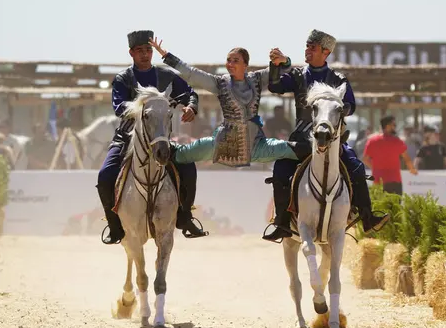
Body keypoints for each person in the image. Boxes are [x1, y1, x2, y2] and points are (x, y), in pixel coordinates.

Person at [263, 29, 390, 241]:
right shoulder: (297, 75)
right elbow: (274, 86)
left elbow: (351, 105)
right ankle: (283, 222)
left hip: (332, 138)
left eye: (312, 48)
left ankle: (367, 218)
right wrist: (277, 65)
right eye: (307, 47)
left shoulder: (338, 79)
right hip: (302, 138)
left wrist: (336, 110)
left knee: (357, 168)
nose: (307, 51)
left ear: (326, 52)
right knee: (280, 169)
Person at [96, 30, 207, 245]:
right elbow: (119, 108)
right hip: (127, 138)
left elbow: (190, 93)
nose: (145, 54)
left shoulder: (167, 76)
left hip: (161, 139)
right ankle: (114, 226)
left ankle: (185, 218)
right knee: (104, 177)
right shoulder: (123, 78)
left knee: (189, 168)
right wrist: (144, 108)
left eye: (148, 50)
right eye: (140, 51)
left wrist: (191, 106)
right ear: (131, 53)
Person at [148, 37, 310, 167]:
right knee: (177, 155)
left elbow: (282, 68)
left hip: (256, 147)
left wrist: (284, 59)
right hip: (221, 146)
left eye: (235, 60)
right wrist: (165, 55)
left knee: (303, 149)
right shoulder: (220, 83)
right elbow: (191, 74)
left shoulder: (257, 79)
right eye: (228, 60)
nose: (230, 64)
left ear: (245, 65)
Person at [363, 115, 418, 195]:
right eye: (394, 125)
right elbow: (406, 158)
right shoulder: (397, 141)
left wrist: (375, 168)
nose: (395, 127)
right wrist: (412, 169)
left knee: (379, 206)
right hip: (394, 181)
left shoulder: (372, 141)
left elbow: (365, 159)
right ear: (388, 126)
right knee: (395, 206)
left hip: (378, 182)